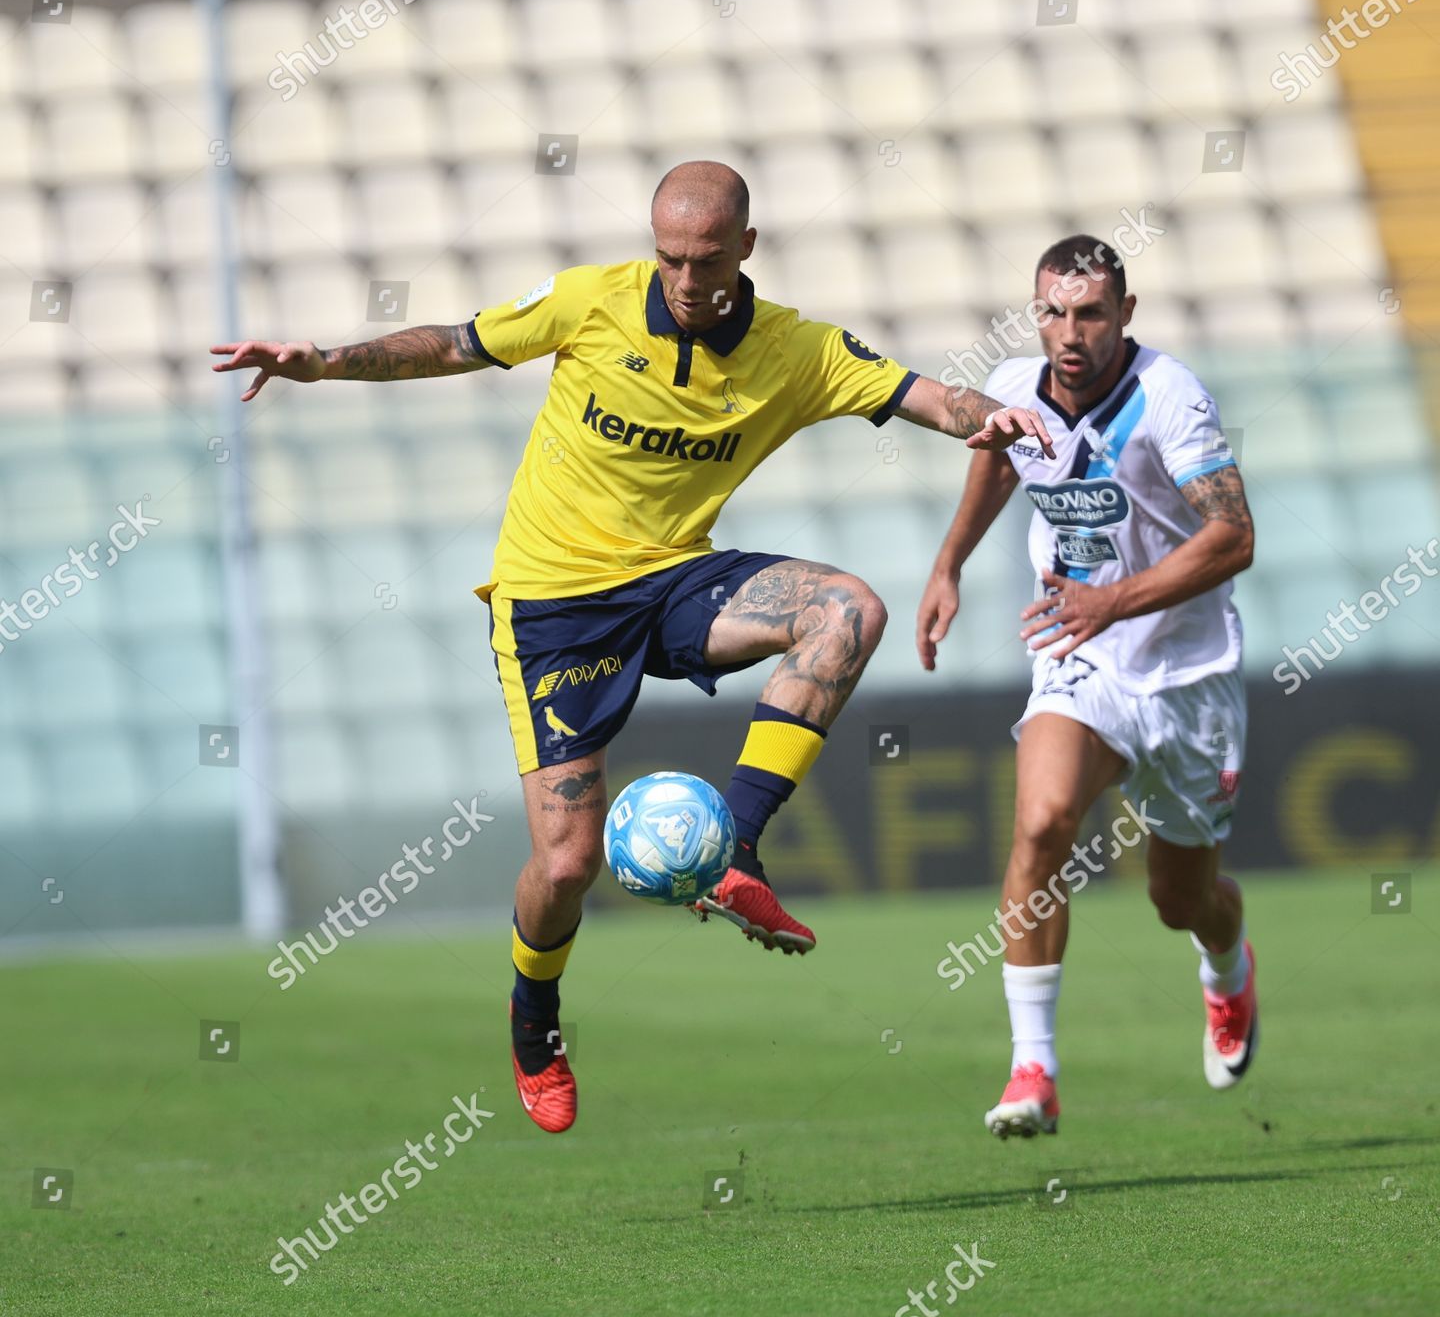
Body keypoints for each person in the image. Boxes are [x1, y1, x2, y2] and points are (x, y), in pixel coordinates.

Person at [213, 160, 1052, 1134]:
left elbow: (923, 393)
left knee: (848, 609)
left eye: (705, 260)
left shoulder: (797, 349)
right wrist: (323, 360)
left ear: (746, 246)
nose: (686, 280)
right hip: (553, 605)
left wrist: (982, 420)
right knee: (567, 865)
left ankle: (735, 849)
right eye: (669, 258)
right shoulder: (590, 303)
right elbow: (455, 343)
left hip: (672, 582)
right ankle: (535, 1017)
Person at [917, 235, 1257, 1138]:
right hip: (1082, 656)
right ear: (1037, 314)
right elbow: (999, 452)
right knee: (1041, 820)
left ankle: (1226, 967)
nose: (1070, 333)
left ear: (1126, 313)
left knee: (1179, 901)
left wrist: (1116, 600)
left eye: (1092, 313)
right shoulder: (1020, 384)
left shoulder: (1168, 397)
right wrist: (949, 561)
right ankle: (1035, 1068)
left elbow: (1233, 537)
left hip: (1187, 674)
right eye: (1054, 313)